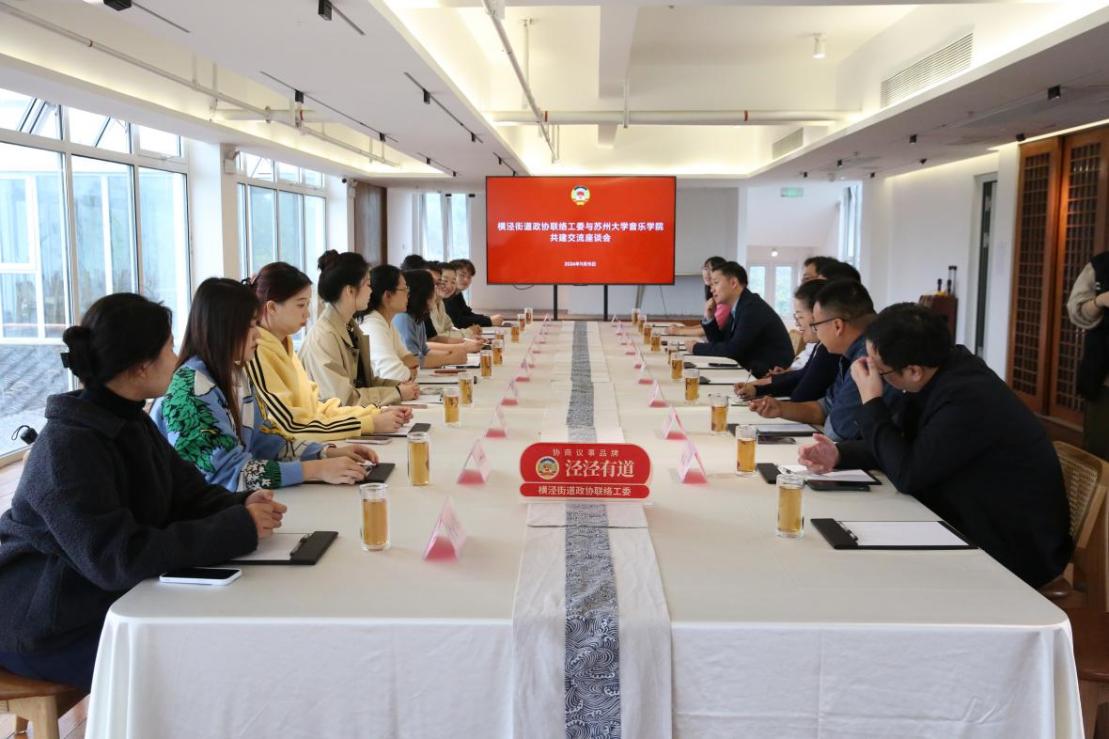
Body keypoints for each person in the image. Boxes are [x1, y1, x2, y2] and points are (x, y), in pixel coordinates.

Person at [0, 293, 283, 691]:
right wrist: (237, 527)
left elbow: (187, 494)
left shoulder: (129, 419)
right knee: (196, 663)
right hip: (46, 623)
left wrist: (240, 504)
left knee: (225, 638)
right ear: (139, 367)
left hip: (98, 600)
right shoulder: (68, 446)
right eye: (168, 348)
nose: (176, 358)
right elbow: (118, 558)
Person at [799, 303, 1072, 587]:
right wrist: (838, 453)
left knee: (871, 573)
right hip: (965, 512)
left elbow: (908, 474)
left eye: (879, 370)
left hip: (1012, 543)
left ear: (914, 371)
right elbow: (903, 443)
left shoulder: (967, 397)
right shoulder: (939, 370)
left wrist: (871, 400)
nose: (873, 375)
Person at [154, 277, 379, 491]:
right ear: (225, 328)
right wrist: (315, 470)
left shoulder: (236, 374)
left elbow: (266, 442)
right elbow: (227, 476)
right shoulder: (191, 387)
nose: (258, 336)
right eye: (251, 326)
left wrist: (325, 453)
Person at [245, 262, 409, 441]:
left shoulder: (285, 345)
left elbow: (316, 408)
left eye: (307, 304)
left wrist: (375, 412)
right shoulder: (256, 352)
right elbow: (289, 426)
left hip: (310, 442)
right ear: (272, 308)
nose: (307, 314)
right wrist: (368, 423)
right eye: (301, 305)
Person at [749, 280, 899, 441]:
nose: (817, 333)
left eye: (816, 325)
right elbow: (824, 408)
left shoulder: (867, 357)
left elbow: (837, 431)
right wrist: (781, 408)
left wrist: (828, 417)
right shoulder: (848, 353)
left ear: (837, 326)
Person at [299, 250, 419, 407]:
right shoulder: (324, 337)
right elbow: (342, 399)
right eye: (368, 285)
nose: (371, 290)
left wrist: (398, 386)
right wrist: (397, 392)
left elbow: (366, 383)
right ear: (350, 291)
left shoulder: (350, 327)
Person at [736, 279, 838, 402]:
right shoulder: (820, 345)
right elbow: (800, 376)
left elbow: (801, 395)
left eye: (800, 316)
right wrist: (757, 389)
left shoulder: (829, 349)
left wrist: (763, 392)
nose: (797, 323)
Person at [690, 261, 795, 377]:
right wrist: (710, 317)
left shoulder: (752, 307)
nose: (712, 290)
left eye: (716, 283)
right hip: (752, 370)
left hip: (771, 376)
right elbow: (721, 342)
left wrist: (696, 347)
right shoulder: (739, 306)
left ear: (733, 283)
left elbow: (732, 351)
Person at [1067, 251, 1109, 460]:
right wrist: (1100, 301)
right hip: (1104, 378)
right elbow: (1076, 311)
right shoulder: (1100, 266)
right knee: (1099, 453)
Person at [394, 269, 470, 368]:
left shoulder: (418, 317)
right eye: (433, 288)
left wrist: (450, 354)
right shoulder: (404, 318)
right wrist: (449, 358)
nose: (435, 292)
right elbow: (412, 359)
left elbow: (425, 350)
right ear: (422, 293)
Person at [364, 264, 423, 382]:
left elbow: (410, 359)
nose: (408, 294)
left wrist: (404, 368)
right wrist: (407, 371)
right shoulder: (373, 326)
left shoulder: (386, 322)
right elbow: (393, 375)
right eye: (404, 289)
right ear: (388, 295)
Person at [424, 262, 483, 350]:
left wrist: (467, 338)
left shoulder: (441, 303)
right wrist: (468, 333)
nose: (449, 286)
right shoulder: (425, 306)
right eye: (444, 281)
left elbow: (450, 329)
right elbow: (436, 337)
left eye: (453, 282)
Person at [671, 256, 730, 337]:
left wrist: (679, 331)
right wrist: (683, 328)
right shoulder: (713, 296)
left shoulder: (724, 300)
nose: (707, 273)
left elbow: (707, 330)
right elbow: (706, 325)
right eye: (705, 268)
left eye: (711, 269)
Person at [445, 258, 503, 328]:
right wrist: (489, 321)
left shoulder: (457, 293)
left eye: (469, 277)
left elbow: (467, 314)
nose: (466, 280)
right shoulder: (446, 294)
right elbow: (458, 322)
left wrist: (488, 319)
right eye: (462, 275)